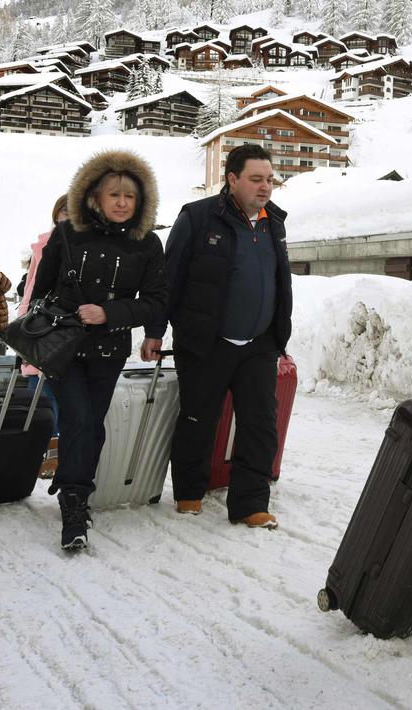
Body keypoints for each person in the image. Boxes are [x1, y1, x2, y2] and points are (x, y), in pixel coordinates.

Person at [142, 143, 294, 530]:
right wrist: (155, 331)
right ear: (232, 179)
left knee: (259, 423)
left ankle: (250, 503)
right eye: (256, 179)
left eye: (269, 179)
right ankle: (189, 491)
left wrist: (279, 336)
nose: (265, 187)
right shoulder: (197, 217)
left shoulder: (274, 222)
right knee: (198, 418)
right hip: (206, 340)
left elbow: (277, 281)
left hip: (259, 343)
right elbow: (168, 279)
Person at [31, 152, 168, 551]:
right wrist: (35, 340)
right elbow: (41, 291)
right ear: (95, 195)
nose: (123, 202)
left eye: (130, 196)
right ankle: (75, 502)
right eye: (115, 194)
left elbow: (158, 300)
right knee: (76, 418)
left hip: (109, 348)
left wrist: (110, 313)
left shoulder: (147, 243)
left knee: (92, 423)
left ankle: (74, 486)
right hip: (63, 347)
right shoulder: (67, 234)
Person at [17, 195, 69, 479]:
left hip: (60, 323)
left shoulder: (80, 243)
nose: (66, 215)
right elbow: (32, 284)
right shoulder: (43, 243)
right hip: (38, 319)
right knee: (35, 384)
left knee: (51, 389)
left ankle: (53, 447)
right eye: (63, 210)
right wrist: (25, 316)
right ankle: (40, 447)